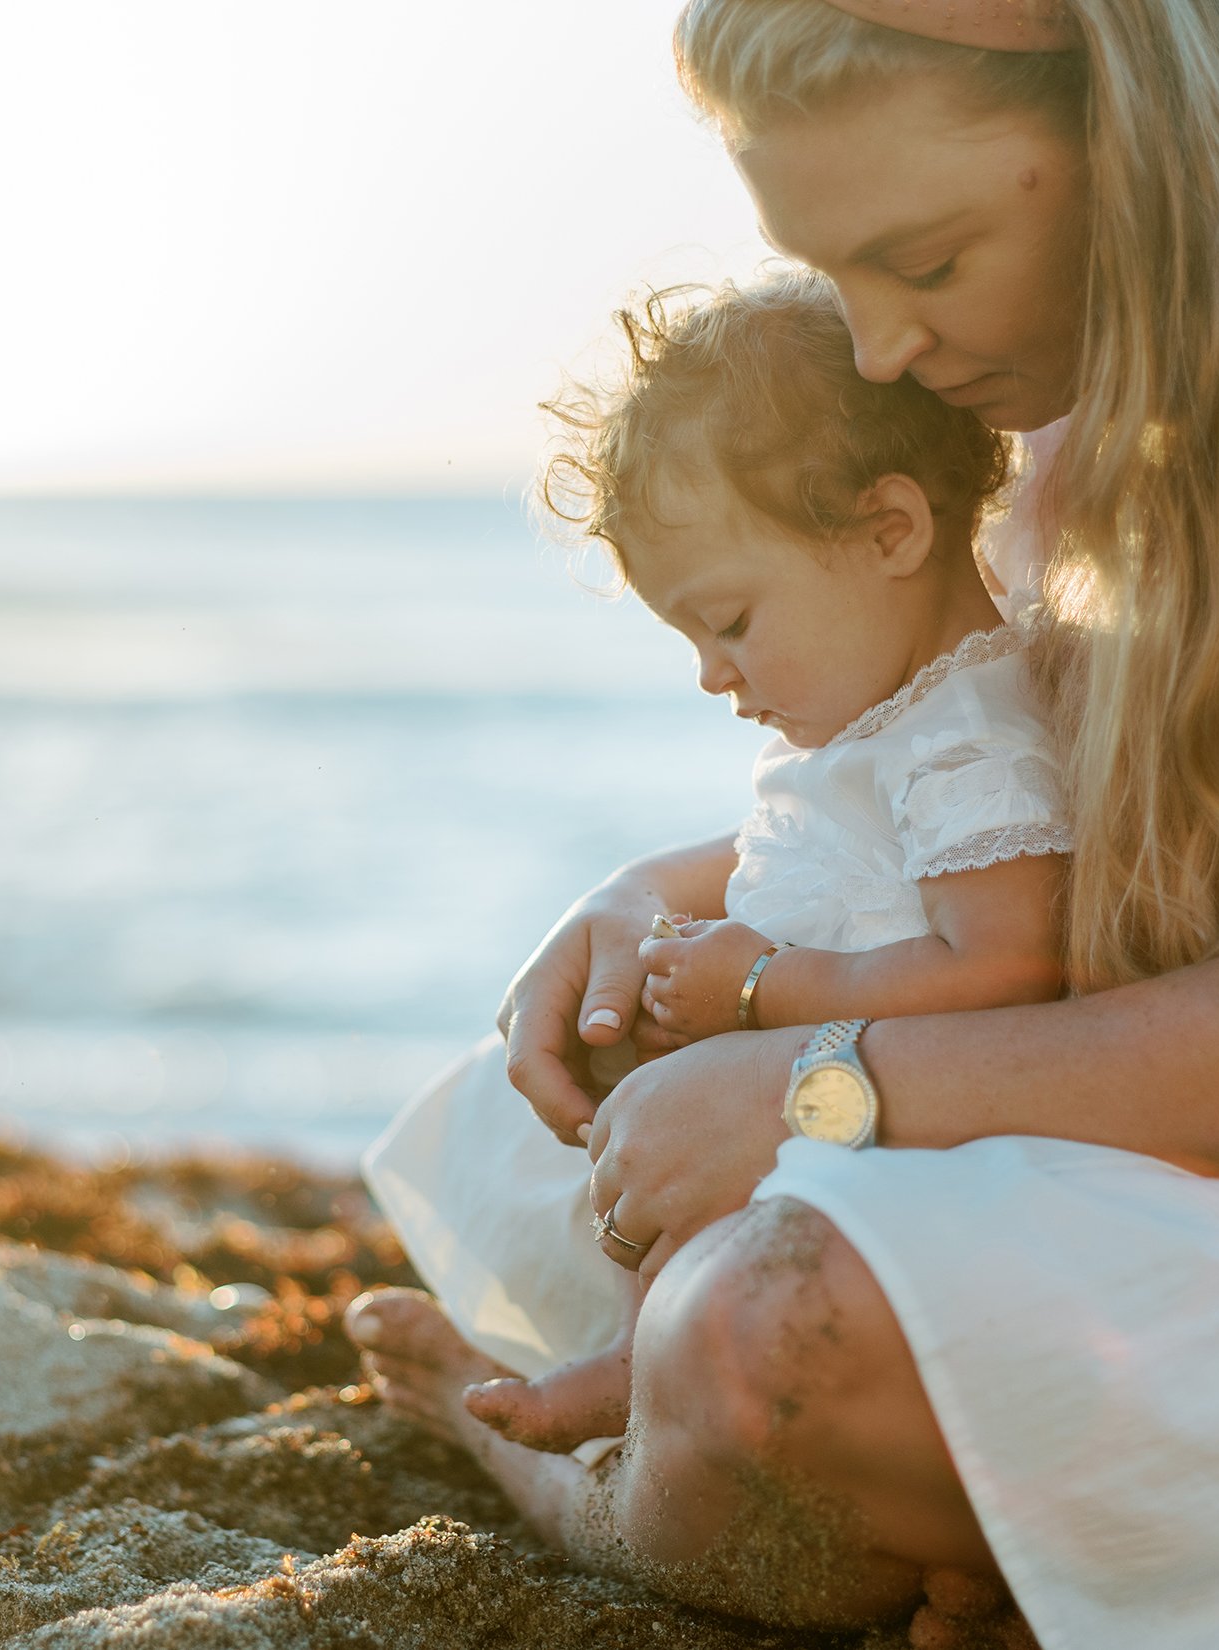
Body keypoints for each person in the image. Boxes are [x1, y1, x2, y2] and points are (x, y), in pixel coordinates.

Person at [345, 2, 1219, 1647]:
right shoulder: (1089, 377)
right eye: (840, 280)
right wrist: (648, 895)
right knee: (530, 1122)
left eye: (927, 258)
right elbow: (1028, 803)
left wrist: (816, 1088)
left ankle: (663, 1497)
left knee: (765, 1335)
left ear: (1144, 122)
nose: (883, 351)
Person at [362, 272, 1072, 1459]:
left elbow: (1010, 968)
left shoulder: (967, 743)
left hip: (909, 1139)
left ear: (891, 529)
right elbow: (813, 863)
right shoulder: (892, 725)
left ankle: (633, 1372)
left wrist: (760, 989)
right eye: (690, 638)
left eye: (731, 621)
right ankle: (628, 1356)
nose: (712, 674)